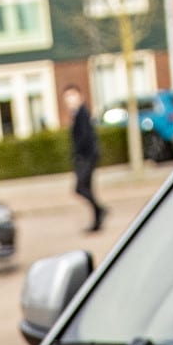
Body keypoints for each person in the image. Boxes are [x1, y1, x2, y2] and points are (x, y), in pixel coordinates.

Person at [65, 85, 104, 234]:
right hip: (86, 156)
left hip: (86, 157)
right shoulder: (77, 113)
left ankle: (100, 210)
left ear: (80, 96)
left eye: (72, 96)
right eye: (67, 97)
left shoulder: (82, 113)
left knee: (80, 188)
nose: (69, 100)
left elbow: (85, 137)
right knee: (88, 189)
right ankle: (97, 219)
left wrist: (80, 155)